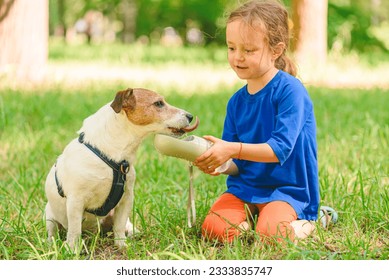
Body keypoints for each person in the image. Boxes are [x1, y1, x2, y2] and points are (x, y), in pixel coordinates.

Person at [194, 0, 319, 244]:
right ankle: (257, 221)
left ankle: (313, 222)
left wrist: (231, 149)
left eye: (249, 50)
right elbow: (237, 163)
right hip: (246, 189)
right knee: (213, 228)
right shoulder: (236, 102)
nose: (238, 57)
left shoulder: (290, 91)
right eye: (231, 48)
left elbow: (280, 149)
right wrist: (220, 162)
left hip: (286, 190)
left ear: (276, 50)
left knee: (272, 235)